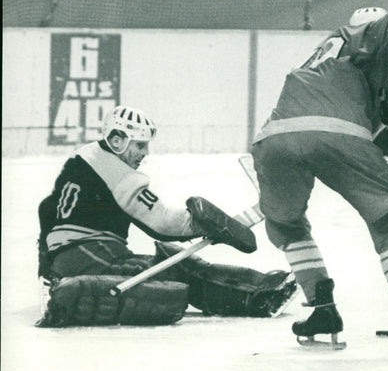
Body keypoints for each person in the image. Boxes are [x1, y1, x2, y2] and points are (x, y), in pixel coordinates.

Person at [250, 4, 388, 354]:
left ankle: (323, 311)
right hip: (337, 135)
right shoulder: (366, 35)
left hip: (274, 138)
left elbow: (340, 143)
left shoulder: (323, 60)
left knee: (287, 224)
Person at [36, 105, 297, 327]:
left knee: (174, 263)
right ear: (117, 141)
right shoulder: (118, 173)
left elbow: (46, 209)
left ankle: (259, 287)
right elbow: (162, 223)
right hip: (89, 253)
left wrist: (47, 264)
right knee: (171, 271)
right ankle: (258, 296)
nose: (145, 152)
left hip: (82, 253)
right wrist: (204, 223)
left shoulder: (86, 156)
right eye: (139, 145)